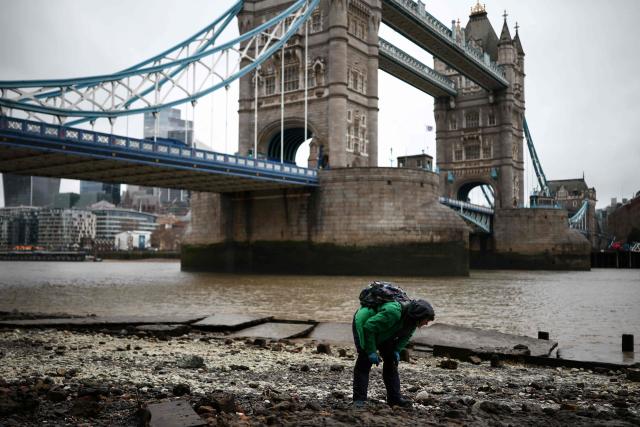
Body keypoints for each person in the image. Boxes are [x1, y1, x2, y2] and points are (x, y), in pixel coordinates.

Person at [352, 298, 435, 408]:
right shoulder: (393, 313)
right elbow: (369, 328)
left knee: (391, 362)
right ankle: (359, 400)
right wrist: (371, 351)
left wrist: (396, 350)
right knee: (364, 362)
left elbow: (406, 336)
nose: (427, 323)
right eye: (427, 320)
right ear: (419, 315)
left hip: (384, 330)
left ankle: (394, 399)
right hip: (363, 324)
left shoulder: (412, 321)